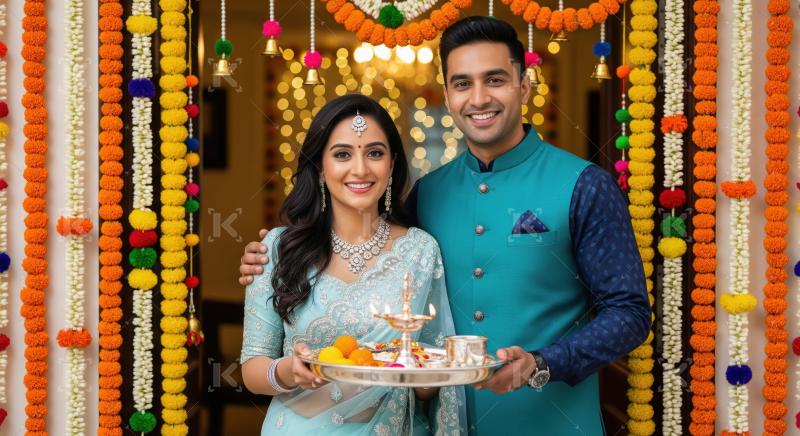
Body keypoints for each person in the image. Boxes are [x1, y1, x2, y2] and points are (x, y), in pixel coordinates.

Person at [241, 17, 650, 435]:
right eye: (461, 83)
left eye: (494, 80)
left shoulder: (584, 185)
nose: (478, 98)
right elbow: (370, 252)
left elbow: (630, 313)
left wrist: (544, 362)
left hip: (550, 422)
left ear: (524, 85)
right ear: (449, 94)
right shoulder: (430, 193)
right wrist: (276, 254)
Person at [239, 93, 465, 435]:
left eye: (374, 153)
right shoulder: (279, 248)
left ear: (391, 166)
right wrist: (289, 371)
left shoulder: (420, 250)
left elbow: (430, 370)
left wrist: (429, 375)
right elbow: (252, 368)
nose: (360, 169)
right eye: (342, 154)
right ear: (319, 167)